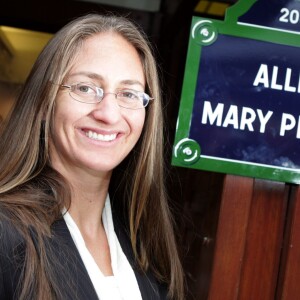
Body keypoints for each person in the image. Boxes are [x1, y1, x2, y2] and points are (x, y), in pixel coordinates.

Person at [0, 13, 185, 300]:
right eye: (85, 88)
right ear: (43, 103)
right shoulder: (5, 232)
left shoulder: (143, 242)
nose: (109, 114)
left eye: (129, 93)